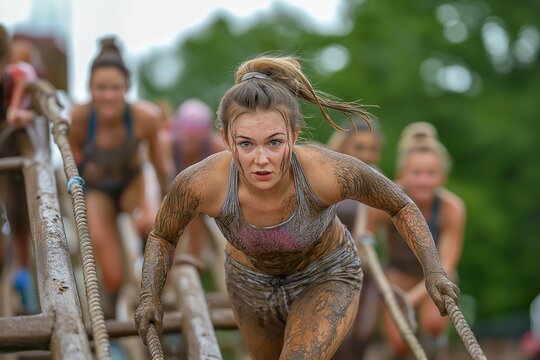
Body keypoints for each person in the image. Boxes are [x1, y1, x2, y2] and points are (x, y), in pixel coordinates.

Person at [134, 55, 460, 359]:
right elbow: (163, 235)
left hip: (325, 275)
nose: (261, 159)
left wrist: (433, 272)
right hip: (249, 284)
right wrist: (150, 295)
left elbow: (400, 205)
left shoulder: (326, 171)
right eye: (246, 144)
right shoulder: (201, 182)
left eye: (274, 142)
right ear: (225, 138)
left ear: (294, 134)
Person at [69, 37, 169, 313]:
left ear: (127, 87)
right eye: (101, 88)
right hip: (98, 189)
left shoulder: (144, 117)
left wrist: (163, 208)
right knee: (112, 274)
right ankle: (112, 309)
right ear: (90, 88)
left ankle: (153, 284)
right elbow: (72, 163)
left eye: (115, 88)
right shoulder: (79, 119)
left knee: (151, 223)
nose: (108, 96)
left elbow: (160, 168)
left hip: (131, 183)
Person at [367, 122, 466, 358]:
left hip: (436, 274)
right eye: (416, 173)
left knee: (433, 324)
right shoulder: (385, 201)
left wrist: (407, 300)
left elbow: (447, 265)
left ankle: (435, 346)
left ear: (442, 177)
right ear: (402, 174)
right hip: (398, 273)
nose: (423, 180)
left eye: (430, 173)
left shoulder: (451, 209)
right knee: (401, 342)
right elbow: (365, 236)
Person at [331, 118, 384, 359]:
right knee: (336, 335)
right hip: (329, 267)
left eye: (372, 149)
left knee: (363, 335)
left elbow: (372, 222)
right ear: (345, 146)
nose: (366, 155)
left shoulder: (378, 179)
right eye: (359, 147)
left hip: (364, 266)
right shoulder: (328, 174)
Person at [0, 24, 39, 314]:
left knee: (19, 216)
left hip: (14, 158)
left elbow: (25, 72)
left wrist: (15, 108)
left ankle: (22, 277)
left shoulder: (14, 75)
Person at [168, 98, 226, 257]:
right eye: (186, 130)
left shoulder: (218, 150)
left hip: (206, 209)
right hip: (169, 203)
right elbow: (155, 181)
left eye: (197, 131)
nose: (190, 137)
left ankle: (196, 257)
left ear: (207, 134)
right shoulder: (167, 145)